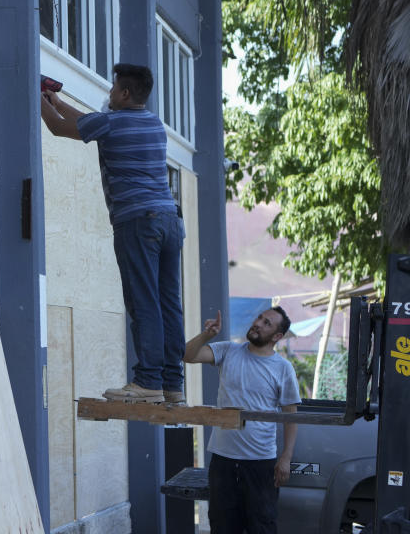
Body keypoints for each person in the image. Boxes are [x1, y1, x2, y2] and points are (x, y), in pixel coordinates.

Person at [40, 63, 185, 404]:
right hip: (168, 220)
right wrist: (56, 100)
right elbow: (83, 121)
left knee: (143, 301)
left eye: (112, 89)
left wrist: (39, 98)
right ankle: (172, 384)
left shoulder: (110, 122)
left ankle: (148, 381)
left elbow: (61, 129)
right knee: (168, 303)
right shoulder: (154, 124)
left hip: (137, 222)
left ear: (124, 92)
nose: (108, 95)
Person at [184, 308, 301, 534]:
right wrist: (207, 335)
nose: (258, 323)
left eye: (267, 323)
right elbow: (188, 355)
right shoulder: (228, 350)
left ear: (277, 336)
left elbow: (291, 415)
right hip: (223, 461)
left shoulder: (283, 368)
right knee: (222, 527)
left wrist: (286, 457)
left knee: (262, 527)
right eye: (259, 318)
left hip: (260, 463)